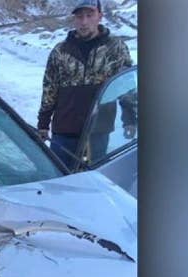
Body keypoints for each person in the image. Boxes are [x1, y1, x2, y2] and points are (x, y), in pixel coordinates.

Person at [36, 0, 133, 170]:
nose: (84, 21)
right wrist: (43, 124)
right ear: (74, 19)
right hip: (65, 129)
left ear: (100, 16)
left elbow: (126, 86)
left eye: (90, 15)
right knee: (59, 177)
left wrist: (130, 118)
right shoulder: (61, 51)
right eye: (79, 16)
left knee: (93, 180)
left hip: (98, 130)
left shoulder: (115, 47)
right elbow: (49, 88)